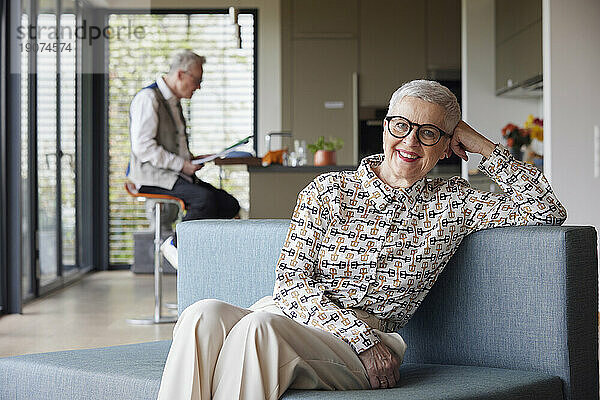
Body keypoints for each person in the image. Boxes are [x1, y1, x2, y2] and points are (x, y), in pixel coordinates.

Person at [157, 80, 567, 399]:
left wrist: (483, 147)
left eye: (428, 133)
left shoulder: (454, 203)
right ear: (386, 127)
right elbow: (290, 285)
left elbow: (546, 210)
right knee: (201, 315)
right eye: (401, 126)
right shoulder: (328, 190)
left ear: (446, 147)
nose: (409, 141)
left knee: (258, 329)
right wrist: (359, 338)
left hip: (363, 347)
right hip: (305, 322)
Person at [127, 50, 241, 242]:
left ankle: (203, 251)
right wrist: (182, 165)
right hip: (151, 177)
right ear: (180, 75)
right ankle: (176, 248)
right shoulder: (148, 98)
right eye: (197, 81)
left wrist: (192, 160)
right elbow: (143, 147)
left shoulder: (175, 102)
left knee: (228, 204)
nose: (198, 87)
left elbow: (172, 145)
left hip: (175, 175)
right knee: (204, 200)